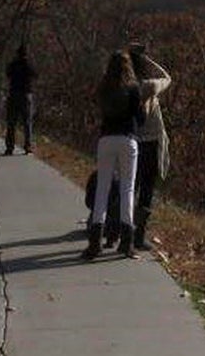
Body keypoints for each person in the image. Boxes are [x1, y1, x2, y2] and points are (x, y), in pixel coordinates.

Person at [81, 51, 145, 260]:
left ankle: (95, 241)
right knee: (127, 189)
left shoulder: (104, 88)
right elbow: (141, 118)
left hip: (106, 138)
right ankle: (126, 242)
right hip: (127, 139)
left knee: (102, 189)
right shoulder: (133, 88)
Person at [129, 41, 171, 252]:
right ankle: (139, 234)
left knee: (130, 188)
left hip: (132, 141)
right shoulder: (150, 86)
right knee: (146, 190)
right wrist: (148, 60)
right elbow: (167, 77)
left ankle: (120, 228)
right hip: (151, 144)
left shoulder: (126, 87)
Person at [3, 44, 37, 155]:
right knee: (27, 122)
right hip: (26, 94)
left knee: (11, 122)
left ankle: (9, 147)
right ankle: (28, 147)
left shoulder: (13, 64)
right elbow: (35, 74)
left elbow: (7, 73)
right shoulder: (28, 64)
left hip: (14, 93)